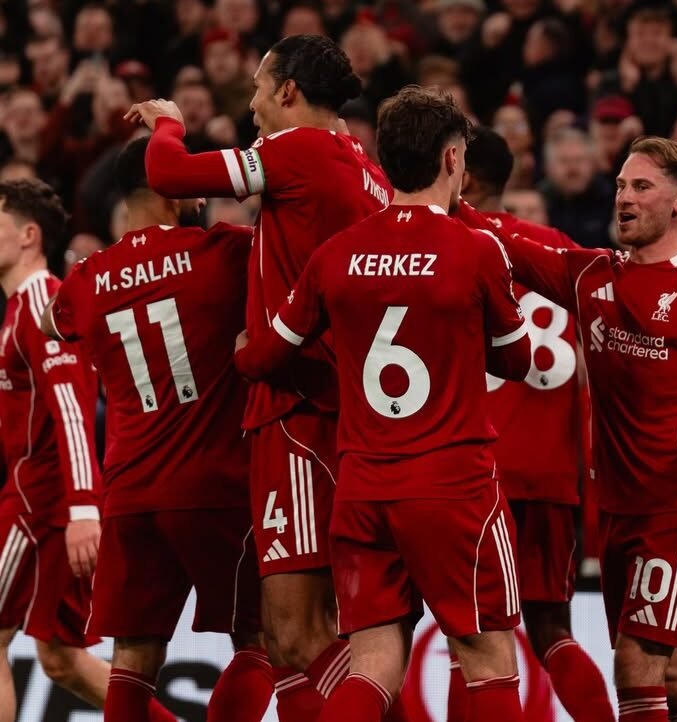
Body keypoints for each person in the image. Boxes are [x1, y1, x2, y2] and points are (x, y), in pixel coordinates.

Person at [234, 86, 532, 721]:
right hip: (454, 489)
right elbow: (518, 360)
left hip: (363, 488)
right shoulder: (476, 249)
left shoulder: (333, 256)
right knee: (487, 658)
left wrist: (240, 347)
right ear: (454, 161)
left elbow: (263, 357)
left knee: (372, 663)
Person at [458, 135, 677, 722]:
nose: (623, 199)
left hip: (676, 510)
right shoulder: (590, 277)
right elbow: (500, 237)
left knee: (636, 667)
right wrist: (434, 196)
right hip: (615, 512)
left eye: (641, 187)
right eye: (620, 186)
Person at [124, 34, 392, 720]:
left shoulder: (297, 150)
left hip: (297, 403)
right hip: (340, 406)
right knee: (297, 632)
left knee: (298, 635)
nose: (249, 102)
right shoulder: (366, 167)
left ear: (288, 91)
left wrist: (167, 121)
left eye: (255, 86)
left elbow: (171, 176)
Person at [40, 137, 270, 722]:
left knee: (133, 659)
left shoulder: (87, 279)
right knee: (263, 642)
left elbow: (54, 319)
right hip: (216, 489)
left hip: (131, 494)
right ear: (177, 190)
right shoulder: (225, 251)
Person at [454, 126, 614, 722]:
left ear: (462, 175)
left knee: (470, 637)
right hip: (551, 473)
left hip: (477, 469)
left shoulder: (453, 242)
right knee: (553, 631)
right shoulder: (558, 246)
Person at [0, 179, 169, 722]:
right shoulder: (19, 309)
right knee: (62, 660)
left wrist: (81, 509)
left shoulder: (42, 302)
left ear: (29, 235)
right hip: (42, 499)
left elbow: (72, 410)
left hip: (40, 504)